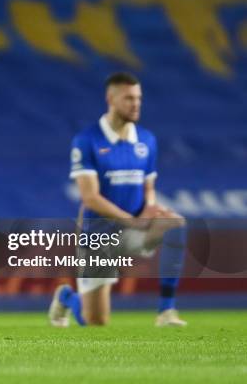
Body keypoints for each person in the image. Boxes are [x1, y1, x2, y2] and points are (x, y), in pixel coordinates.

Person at [48, 72, 187, 327]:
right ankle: (68, 297)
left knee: (174, 223)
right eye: (129, 98)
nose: (136, 104)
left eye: (138, 98)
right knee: (96, 321)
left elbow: (149, 188)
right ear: (110, 98)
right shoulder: (87, 140)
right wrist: (132, 221)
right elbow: (90, 197)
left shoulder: (146, 140)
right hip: (99, 234)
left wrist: (149, 209)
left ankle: (166, 311)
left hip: (133, 229)